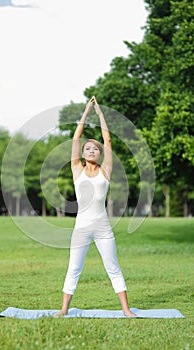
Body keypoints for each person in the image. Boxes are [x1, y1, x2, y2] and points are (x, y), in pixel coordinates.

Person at [55, 96, 136, 317]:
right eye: (87, 148)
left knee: (113, 267)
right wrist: (85, 112)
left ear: (100, 154)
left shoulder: (105, 171)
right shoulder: (76, 169)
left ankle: (126, 310)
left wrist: (100, 115)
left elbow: (108, 140)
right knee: (74, 269)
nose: (91, 150)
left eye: (95, 149)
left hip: (102, 228)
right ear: (82, 153)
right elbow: (75, 138)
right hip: (81, 228)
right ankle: (64, 309)